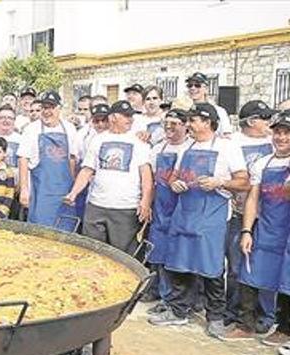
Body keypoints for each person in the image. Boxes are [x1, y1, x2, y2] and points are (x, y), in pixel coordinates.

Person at [148, 103, 249, 336]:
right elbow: (174, 176)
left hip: (211, 216)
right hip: (184, 213)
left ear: (208, 122)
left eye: (193, 120)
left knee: (211, 267)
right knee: (180, 262)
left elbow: (244, 182)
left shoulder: (227, 147)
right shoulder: (187, 147)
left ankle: (215, 316)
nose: (189, 125)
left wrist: (219, 182)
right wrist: (175, 183)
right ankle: (178, 311)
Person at [63, 101, 153, 255]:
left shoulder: (138, 142)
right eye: (125, 116)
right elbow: (87, 170)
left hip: (126, 207)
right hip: (96, 205)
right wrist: (74, 192)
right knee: (91, 251)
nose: (130, 119)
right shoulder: (98, 140)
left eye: (131, 116)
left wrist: (145, 201)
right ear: (113, 118)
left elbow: (146, 175)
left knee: (122, 255)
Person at [231, 112, 290, 343]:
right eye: (278, 132)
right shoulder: (261, 163)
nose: (282, 137)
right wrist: (247, 231)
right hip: (267, 228)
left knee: (287, 279)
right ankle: (245, 325)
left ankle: (284, 329)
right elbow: (253, 199)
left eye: (287, 133)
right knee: (250, 272)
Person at [224, 100, 278, 333]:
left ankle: (266, 314)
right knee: (237, 267)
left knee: (267, 266)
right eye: (265, 119)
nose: (270, 124)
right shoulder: (231, 142)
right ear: (252, 121)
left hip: (270, 216)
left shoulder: (275, 142)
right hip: (239, 213)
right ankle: (234, 311)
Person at [145, 108, 193, 310]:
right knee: (159, 252)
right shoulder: (158, 149)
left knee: (181, 255)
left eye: (174, 124)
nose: (169, 128)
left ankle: (186, 301)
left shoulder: (192, 148)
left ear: (185, 126)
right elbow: (152, 180)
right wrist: (148, 204)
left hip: (184, 208)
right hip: (162, 208)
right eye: (166, 124)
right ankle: (163, 295)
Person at [18, 91, 81, 232]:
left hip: (64, 193)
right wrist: (24, 189)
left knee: (65, 233)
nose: (47, 111)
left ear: (59, 108)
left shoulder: (69, 129)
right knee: (40, 234)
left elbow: (72, 159)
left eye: (51, 107)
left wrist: (73, 188)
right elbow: (23, 159)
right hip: (41, 193)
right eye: (44, 107)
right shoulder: (31, 129)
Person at [74, 103, 111, 221]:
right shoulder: (85, 136)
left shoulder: (119, 136)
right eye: (96, 121)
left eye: (104, 120)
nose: (100, 124)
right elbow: (75, 158)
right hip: (89, 184)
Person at [185, 72, 232, 136]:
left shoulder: (219, 111)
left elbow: (227, 135)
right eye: (190, 85)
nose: (193, 88)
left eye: (197, 85)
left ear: (206, 89)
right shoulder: (186, 110)